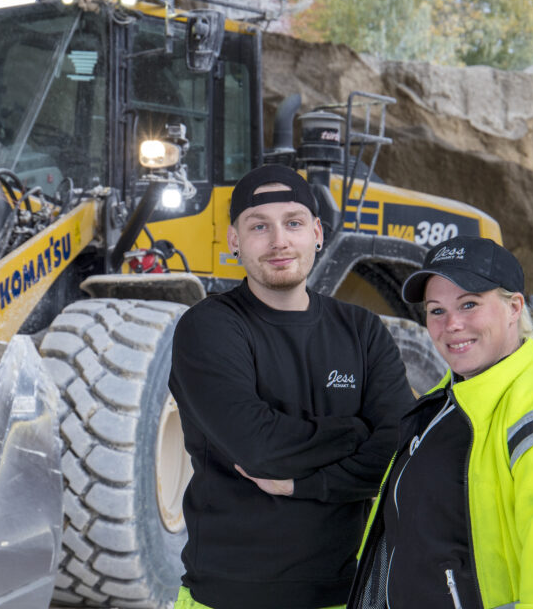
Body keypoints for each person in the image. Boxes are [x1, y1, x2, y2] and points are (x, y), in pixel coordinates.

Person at [168, 164, 414, 609]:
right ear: (235, 241)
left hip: (345, 594)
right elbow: (259, 449)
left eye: (293, 223)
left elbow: (398, 452)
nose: (279, 241)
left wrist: (301, 485)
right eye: (259, 226)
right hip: (228, 596)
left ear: (317, 233)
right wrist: (357, 432)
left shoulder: (362, 330)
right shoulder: (208, 328)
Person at [347, 236, 533, 608]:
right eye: (436, 310)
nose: (452, 324)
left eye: (469, 304)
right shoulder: (444, 402)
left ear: (514, 307)